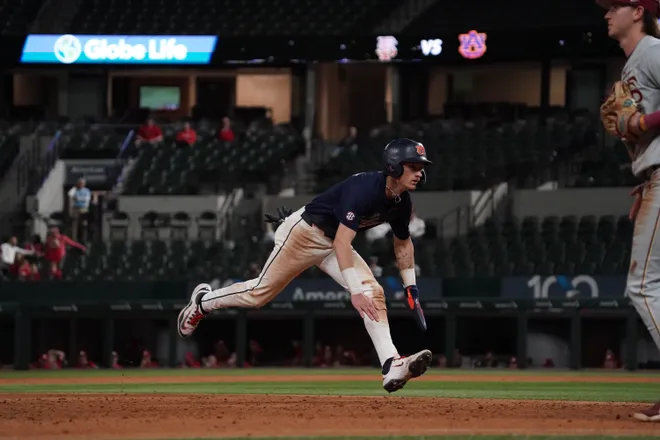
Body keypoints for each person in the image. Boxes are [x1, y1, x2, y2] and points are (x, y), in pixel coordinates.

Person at [177, 138, 433, 393]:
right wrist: (354, 291)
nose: (419, 172)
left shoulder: (402, 202)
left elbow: (402, 243)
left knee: (374, 292)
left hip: (332, 242)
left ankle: (392, 364)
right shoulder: (364, 188)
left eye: (420, 167)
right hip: (305, 235)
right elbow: (344, 243)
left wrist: (411, 288)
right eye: (412, 166)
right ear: (393, 167)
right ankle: (203, 302)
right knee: (258, 295)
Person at [597, 0, 660, 422]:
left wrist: (644, 122)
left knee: (642, 285)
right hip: (653, 174)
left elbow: (644, 122)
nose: (606, 13)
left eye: (614, 6)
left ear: (637, 11)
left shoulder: (652, 51)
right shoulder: (633, 63)